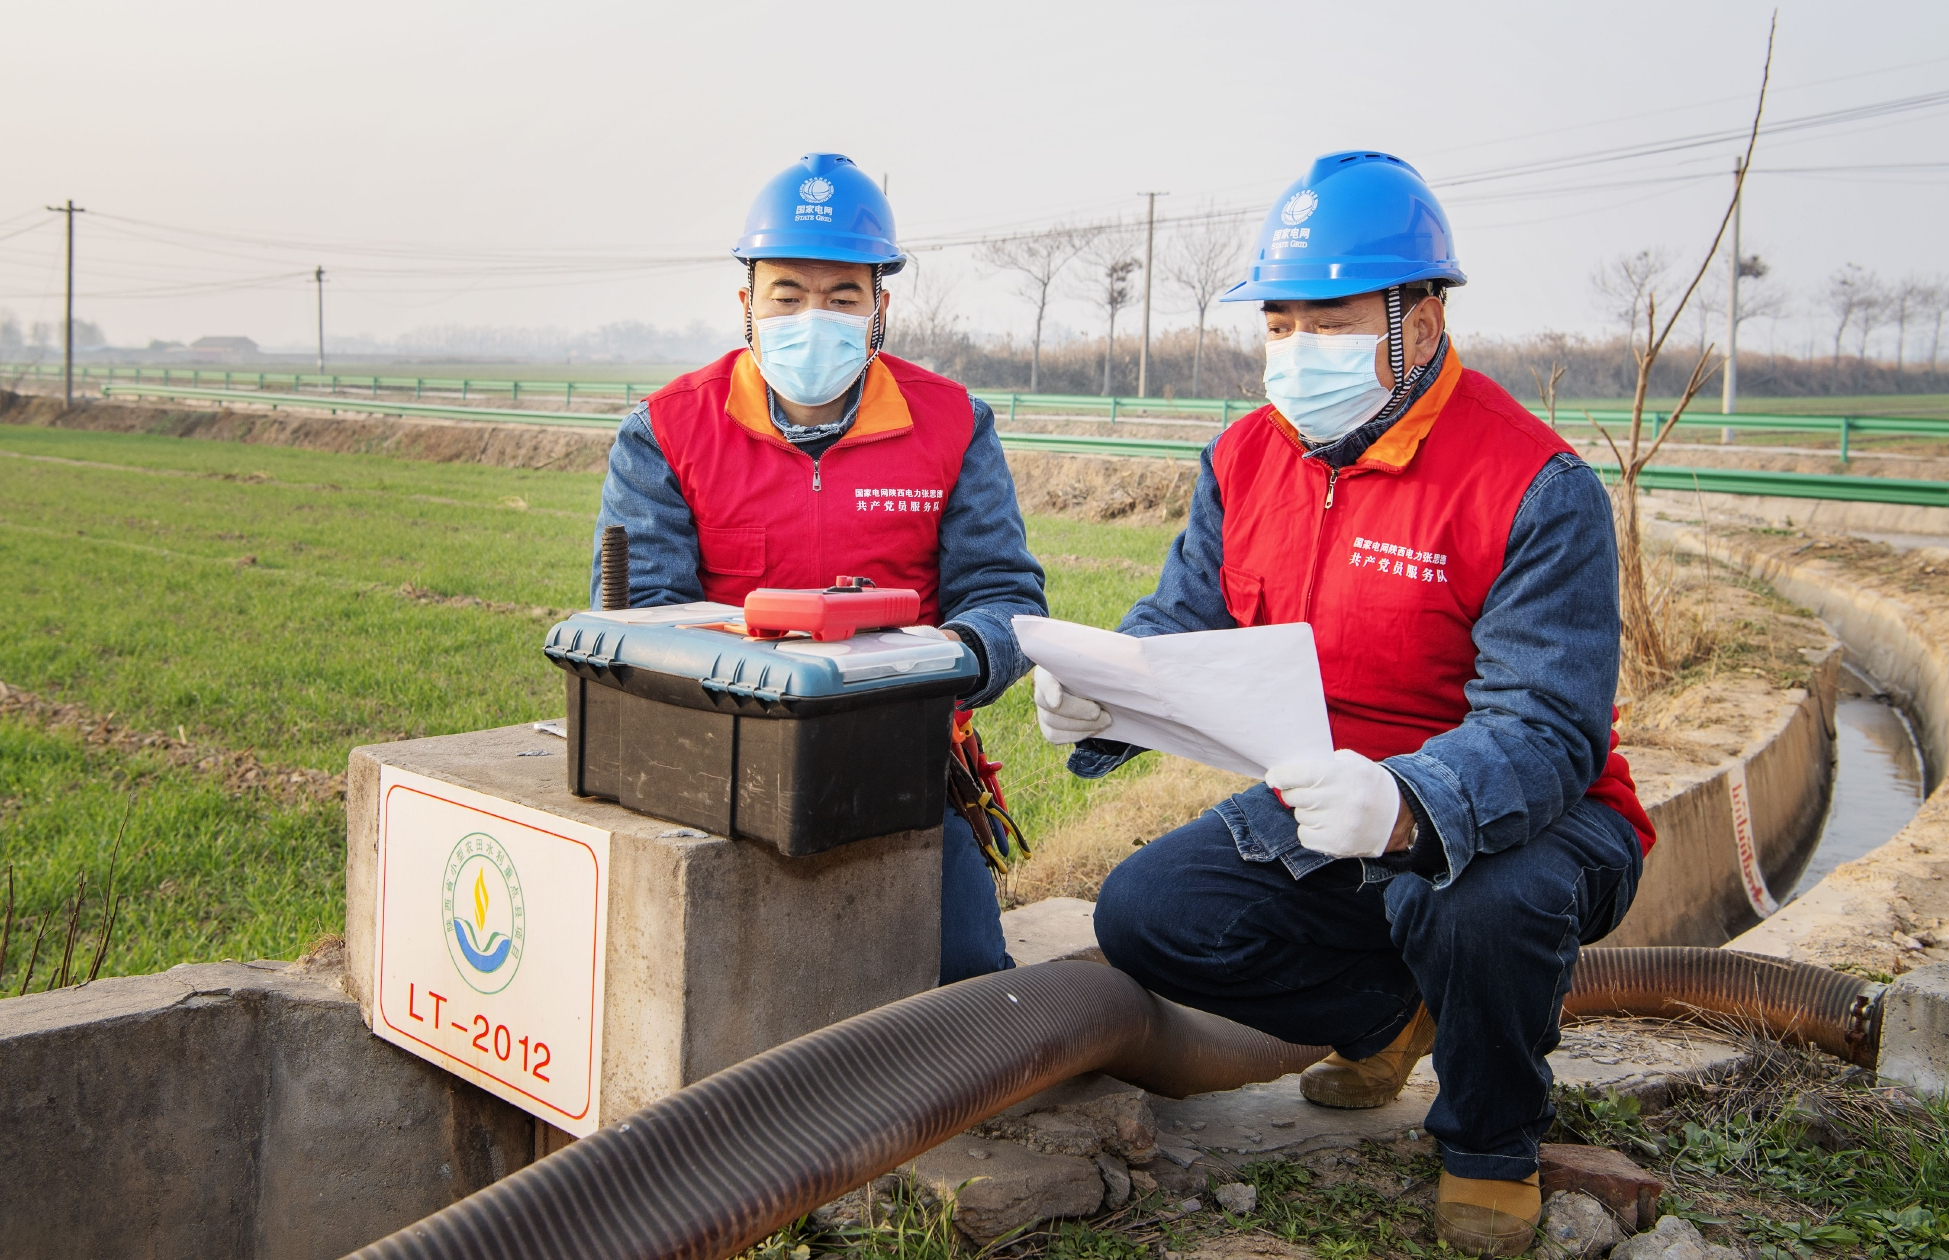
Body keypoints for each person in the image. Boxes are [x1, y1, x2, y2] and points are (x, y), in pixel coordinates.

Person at [1035, 152, 1655, 1258]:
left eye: (1326, 322)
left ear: (1418, 321)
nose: (1293, 352)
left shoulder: (1530, 484)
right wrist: (1103, 694)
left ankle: (1488, 1139)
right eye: (1278, 324)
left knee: (1469, 905)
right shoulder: (1243, 458)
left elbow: (1547, 729)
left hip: (1530, 819)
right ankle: (1396, 1017)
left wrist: (1411, 804)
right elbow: (1182, 620)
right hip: (1321, 798)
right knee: (1145, 912)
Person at [593, 152, 1047, 983]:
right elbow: (643, 617)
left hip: (902, 760)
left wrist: (944, 662)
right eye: (788, 295)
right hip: (719, 758)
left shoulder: (953, 424)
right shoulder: (664, 431)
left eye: (843, 296)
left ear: (879, 308)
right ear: (747, 305)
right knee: (702, 983)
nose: (815, 315)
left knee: (962, 979)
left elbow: (1005, 595)